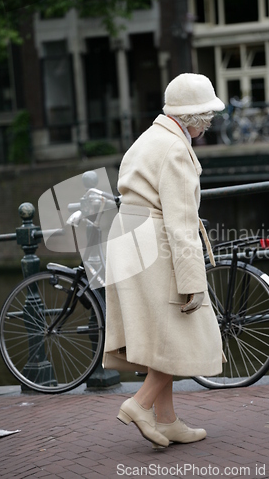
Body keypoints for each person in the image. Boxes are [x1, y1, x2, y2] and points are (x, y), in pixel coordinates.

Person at [103, 73, 225, 449]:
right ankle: (140, 405)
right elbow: (182, 221)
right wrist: (192, 281)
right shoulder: (175, 149)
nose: (210, 121)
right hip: (155, 243)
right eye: (207, 114)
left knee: (164, 335)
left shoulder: (149, 138)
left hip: (129, 237)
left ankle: (168, 419)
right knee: (185, 329)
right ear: (193, 116)